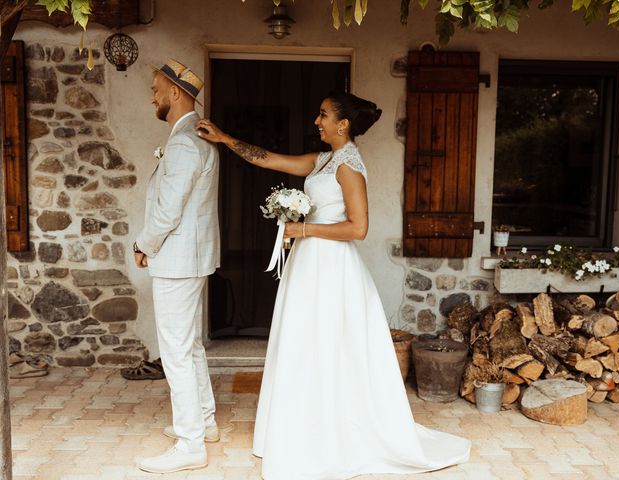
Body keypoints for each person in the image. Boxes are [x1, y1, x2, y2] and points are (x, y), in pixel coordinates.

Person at [196, 91, 471, 479]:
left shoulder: (349, 167)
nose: (316, 121)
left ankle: (331, 435)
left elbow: (358, 228)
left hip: (332, 269)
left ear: (343, 124)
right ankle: (300, 428)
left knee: (328, 344)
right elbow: (269, 159)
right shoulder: (322, 161)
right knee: (303, 342)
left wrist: (301, 228)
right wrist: (225, 139)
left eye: (323, 115)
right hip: (308, 265)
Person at [133, 59, 221, 474]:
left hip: (177, 260)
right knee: (190, 346)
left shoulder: (186, 142)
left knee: (175, 351)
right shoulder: (192, 136)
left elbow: (169, 210)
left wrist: (143, 243)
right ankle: (204, 422)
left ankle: (190, 445)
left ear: (174, 93)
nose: (151, 95)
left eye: (155, 88)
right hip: (191, 258)